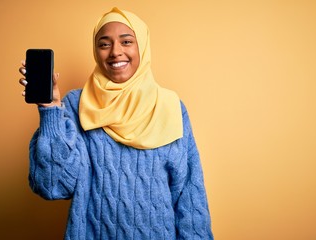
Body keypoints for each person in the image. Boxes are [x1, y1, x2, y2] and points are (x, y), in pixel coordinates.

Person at [19, 7, 213, 239]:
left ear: (142, 45)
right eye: (104, 44)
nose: (115, 52)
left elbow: (190, 193)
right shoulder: (75, 104)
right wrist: (50, 110)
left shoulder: (170, 107)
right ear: (95, 50)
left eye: (127, 41)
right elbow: (53, 186)